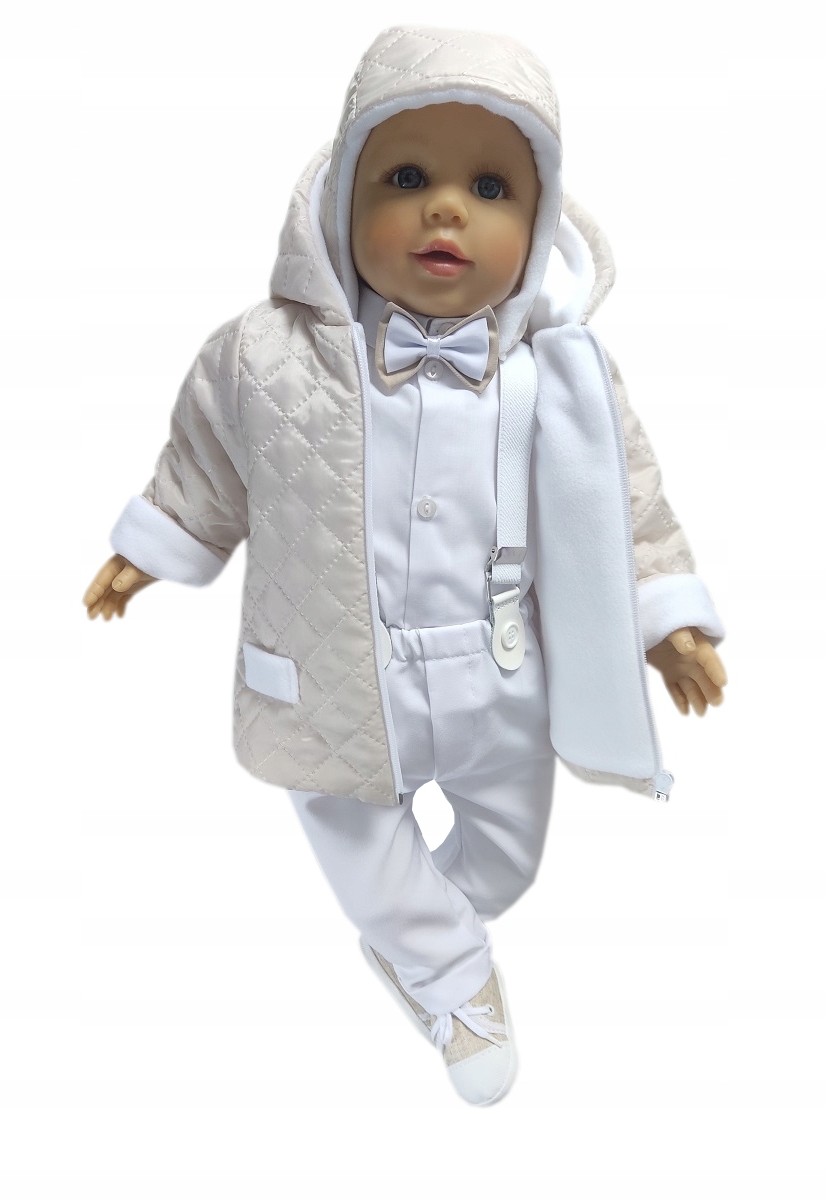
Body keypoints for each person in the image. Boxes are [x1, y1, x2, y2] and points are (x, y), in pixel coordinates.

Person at [83, 26, 727, 1106]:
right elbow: (208, 458)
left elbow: (629, 502)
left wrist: (667, 620)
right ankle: (452, 979)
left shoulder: (560, 374)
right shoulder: (262, 357)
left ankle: (412, 933)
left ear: (542, 219)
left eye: (491, 187)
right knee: (351, 824)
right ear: (341, 195)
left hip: (498, 664)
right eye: (407, 178)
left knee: (509, 859)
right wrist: (153, 545)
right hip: (331, 663)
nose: (446, 211)